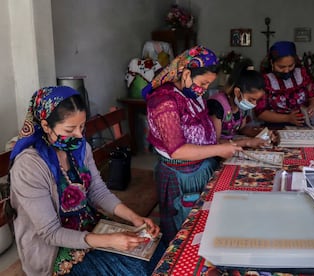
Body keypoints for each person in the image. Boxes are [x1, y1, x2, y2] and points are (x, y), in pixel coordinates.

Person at [9, 86, 164, 276]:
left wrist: (133, 217)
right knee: (133, 270)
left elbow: (97, 191)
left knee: (156, 251)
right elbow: (50, 233)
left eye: (82, 126)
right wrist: (110, 241)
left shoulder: (78, 148)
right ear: (46, 125)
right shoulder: (29, 166)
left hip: (89, 225)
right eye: (70, 129)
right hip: (54, 248)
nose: (80, 135)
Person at [142, 45, 242, 243]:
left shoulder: (191, 96)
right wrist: (220, 149)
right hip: (181, 178)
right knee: (184, 232)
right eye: (203, 83)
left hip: (200, 169)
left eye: (207, 85)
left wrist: (236, 143)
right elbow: (177, 150)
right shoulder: (164, 102)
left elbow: (203, 135)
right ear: (186, 73)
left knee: (204, 227)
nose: (204, 90)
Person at [207, 60, 271, 148]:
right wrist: (247, 142)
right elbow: (215, 142)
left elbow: (241, 129)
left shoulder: (241, 106)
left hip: (231, 145)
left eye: (257, 100)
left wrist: (261, 133)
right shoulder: (217, 105)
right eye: (251, 99)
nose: (254, 104)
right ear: (237, 92)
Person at [254, 41, 314, 128]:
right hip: (275, 127)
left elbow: (312, 96)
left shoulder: (302, 74)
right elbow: (260, 112)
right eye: (281, 67)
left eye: (290, 66)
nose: (286, 70)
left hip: (302, 125)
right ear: (272, 63)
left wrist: (312, 106)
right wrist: (288, 118)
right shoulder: (265, 81)